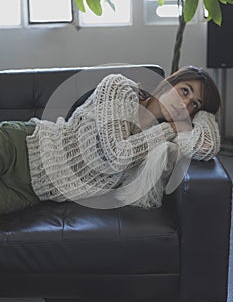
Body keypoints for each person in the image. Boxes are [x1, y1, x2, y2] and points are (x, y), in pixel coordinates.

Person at [0, 66, 221, 215]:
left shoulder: (162, 140)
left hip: (31, 191)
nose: (185, 104)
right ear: (167, 84)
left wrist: (205, 115)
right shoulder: (120, 88)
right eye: (184, 91)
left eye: (194, 104)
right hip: (21, 147)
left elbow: (206, 145)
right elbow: (117, 155)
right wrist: (171, 127)